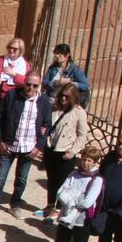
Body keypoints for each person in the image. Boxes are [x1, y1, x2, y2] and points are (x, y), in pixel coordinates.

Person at [0, 70, 52, 222]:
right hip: (10, 145)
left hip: (28, 148)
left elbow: (46, 126)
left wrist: (38, 146)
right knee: (0, 178)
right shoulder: (12, 96)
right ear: (23, 83)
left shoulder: (44, 102)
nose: (30, 88)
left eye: (34, 86)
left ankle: (15, 204)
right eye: (28, 84)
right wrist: (0, 140)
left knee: (22, 179)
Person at [55, 145, 105, 242]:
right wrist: (76, 196)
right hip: (66, 216)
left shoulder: (96, 179)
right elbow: (60, 192)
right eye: (84, 159)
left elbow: (87, 203)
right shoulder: (74, 174)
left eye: (89, 160)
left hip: (82, 220)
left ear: (95, 162)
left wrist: (70, 196)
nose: (85, 163)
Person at [41, 83, 90, 219]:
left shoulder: (79, 112)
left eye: (67, 97)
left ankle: (58, 208)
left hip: (65, 151)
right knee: (51, 180)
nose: (63, 99)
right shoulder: (54, 108)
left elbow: (82, 135)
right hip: (51, 148)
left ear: (73, 97)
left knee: (62, 182)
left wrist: (73, 151)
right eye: (61, 95)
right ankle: (50, 205)